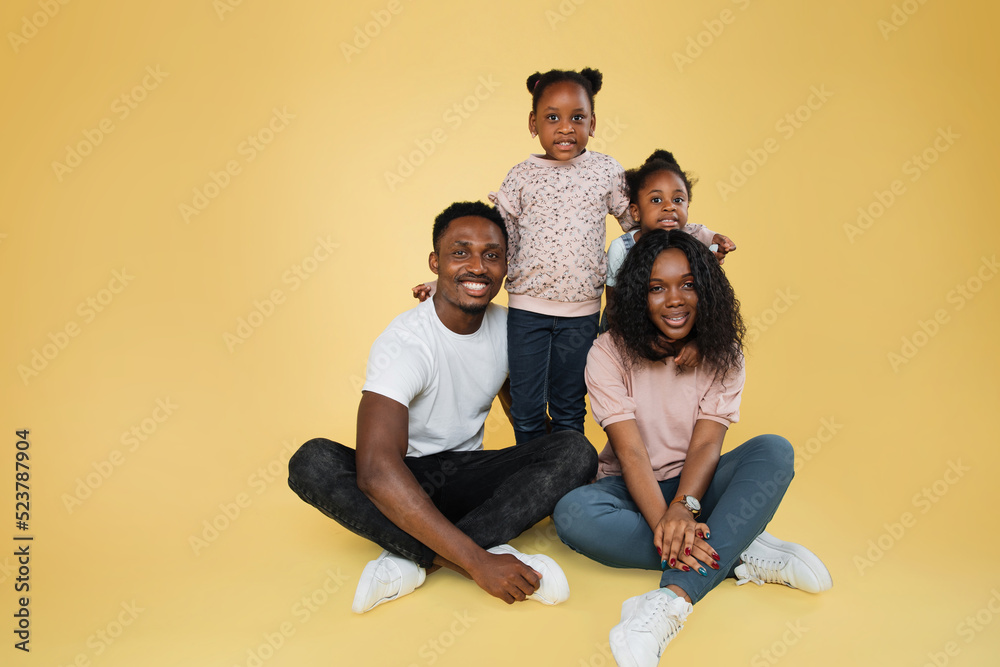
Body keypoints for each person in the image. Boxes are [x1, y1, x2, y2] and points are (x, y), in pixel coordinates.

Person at [288, 201, 598, 614]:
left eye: (492, 255)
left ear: (506, 266)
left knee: (575, 449)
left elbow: (520, 413)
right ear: (435, 262)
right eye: (460, 252)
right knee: (312, 460)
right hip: (405, 481)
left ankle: (412, 561)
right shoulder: (406, 341)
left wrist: (568, 470)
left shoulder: (508, 329)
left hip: (468, 478)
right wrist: (479, 564)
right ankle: (468, 553)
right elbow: (378, 470)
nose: (477, 266)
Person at [552, 230, 831, 667]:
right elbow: (632, 454)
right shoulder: (607, 352)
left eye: (687, 284)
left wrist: (684, 506)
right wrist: (668, 517)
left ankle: (672, 600)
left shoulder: (724, 353)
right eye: (656, 288)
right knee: (571, 514)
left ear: (706, 288)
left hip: (699, 486)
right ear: (638, 298)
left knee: (773, 450)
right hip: (631, 486)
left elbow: (706, 445)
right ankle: (733, 549)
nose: (674, 299)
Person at [489, 67, 637, 445]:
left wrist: (694, 238)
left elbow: (638, 227)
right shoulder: (521, 176)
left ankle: (569, 497)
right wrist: (445, 285)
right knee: (525, 410)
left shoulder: (605, 171)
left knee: (570, 408)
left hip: (581, 316)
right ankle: (532, 494)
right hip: (527, 312)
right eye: (552, 117)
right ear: (532, 123)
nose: (566, 127)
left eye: (577, 117)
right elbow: (495, 244)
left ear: (593, 122)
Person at [601, 149, 737, 347]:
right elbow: (614, 307)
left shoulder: (694, 245)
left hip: (678, 326)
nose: (669, 207)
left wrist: (697, 345)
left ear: (687, 207)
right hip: (630, 332)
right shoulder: (622, 248)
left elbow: (709, 305)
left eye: (678, 200)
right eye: (656, 200)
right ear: (635, 211)